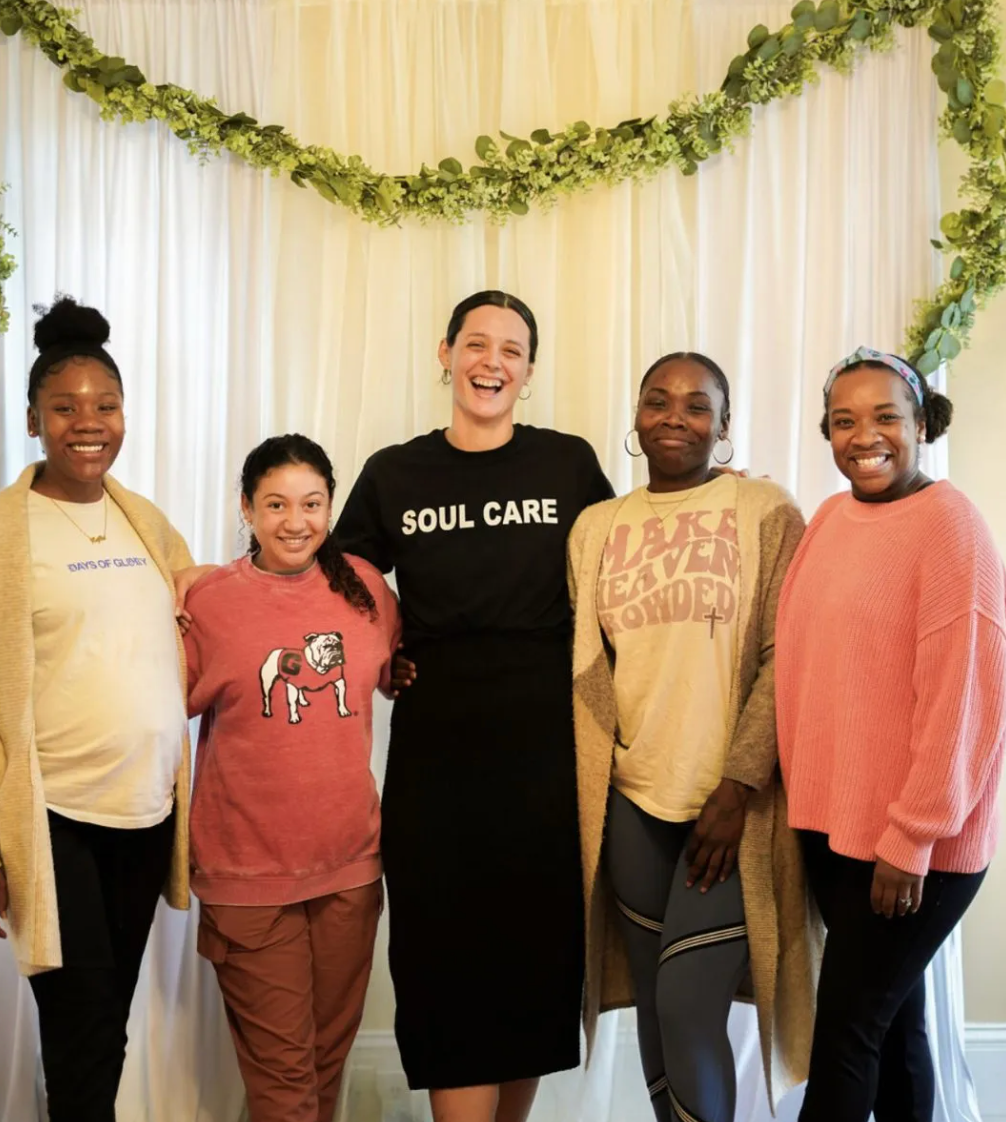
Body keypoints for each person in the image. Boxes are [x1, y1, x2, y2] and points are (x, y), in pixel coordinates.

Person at [333, 290, 613, 1122]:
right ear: (445, 352)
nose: (493, 361)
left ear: (529, 372)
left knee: (532, 961)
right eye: (477, 344)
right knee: (447, 958)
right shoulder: (395, 471)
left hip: (546, 752)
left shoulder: (566, 464)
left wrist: (718, 494)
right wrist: (383, 650)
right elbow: (339, 583)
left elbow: (627, 561)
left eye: (512, 349)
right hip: (437, 752)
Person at [567, 351, 819, 1122]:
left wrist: (740, 784)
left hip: (732, 807)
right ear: (636, 419)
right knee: (653, 1004)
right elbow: (587, 665)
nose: (674, 416)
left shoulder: (768, 512)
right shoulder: (596, 527)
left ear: (725, 425)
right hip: (633, 800)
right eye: (657, 400)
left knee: (686, 1006)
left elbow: (787, 655)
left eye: (696, 404)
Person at [775, 346, 1006, 1122]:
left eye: (884, 418)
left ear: (920, 424)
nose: (862, 436)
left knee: (845, 1039)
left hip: (912, 849)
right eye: (844, 421)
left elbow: (964, 705)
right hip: (838, 832)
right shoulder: (834, 517)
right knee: (892, 1026)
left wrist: (910, 840)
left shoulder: (950, 528)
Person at [0, 297, 194, 1122]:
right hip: (54, 819)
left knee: (105, 1025)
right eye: (66, 408)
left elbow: (210, 625)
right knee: (81, 1023)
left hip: (145, 813)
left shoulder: (145, 522)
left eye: (105, 406)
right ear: (34, 419)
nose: (89, 423)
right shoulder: (9, 530)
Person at [182, 434, 400, 1122]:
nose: (295, 521)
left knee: (323, 1068)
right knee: (283, 1085)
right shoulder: (212, 601)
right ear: (245, 508)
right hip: (248, 878)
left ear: (331, 507)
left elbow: (401, 672)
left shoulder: (366, 589)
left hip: (351, 870)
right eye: (275, 504)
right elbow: (154, 708)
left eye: (311, 503)